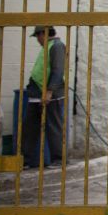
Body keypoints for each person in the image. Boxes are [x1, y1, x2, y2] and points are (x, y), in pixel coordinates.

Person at [21, 26, 67, 169]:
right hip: (36, 94)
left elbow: (58, 71)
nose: (37, 40)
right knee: (30, 128)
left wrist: (49, 91)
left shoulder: (57, 46)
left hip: (50, 95)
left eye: (37, 36)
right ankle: (25, 160)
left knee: (53, 127)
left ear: (43, 33)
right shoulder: (47, 47)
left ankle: (59, 159)